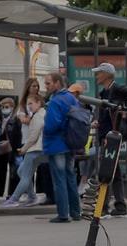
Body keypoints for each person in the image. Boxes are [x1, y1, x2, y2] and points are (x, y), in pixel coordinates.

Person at [89, 63, 127, 218]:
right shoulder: (104, 93)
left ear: (107, 75)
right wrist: (99, 123)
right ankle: (119, 207)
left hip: (113, 136)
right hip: (107, 136)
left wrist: (126, 109)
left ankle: (103, 208)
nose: (96, 76)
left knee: (106, 171)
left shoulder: (118, 89)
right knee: (113, 170)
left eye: (99, 73)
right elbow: (107, 115)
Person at [42, 70, 81, 223]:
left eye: (48, 83)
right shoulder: (71, 98)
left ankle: (63, 214)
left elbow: (52, 125)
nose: (46, 86)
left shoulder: (55, 101)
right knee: (70, 178)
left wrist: (44, 128)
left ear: (57, 83)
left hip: (56, 144)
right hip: (70, 143)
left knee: (59, 180)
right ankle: (76, 211)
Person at [1, 93, 47, 207]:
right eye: (28, 104)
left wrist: (24, 149)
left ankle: (14, 199)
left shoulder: (38, 116)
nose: (29, 106)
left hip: (34, 149)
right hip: (39, 149)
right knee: (22, 172)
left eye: (31, 103)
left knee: (24, 174)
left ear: (39, 103)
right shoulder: (41, 114)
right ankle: (31, 197)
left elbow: (33, 136)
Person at [0, 96, 22, 198]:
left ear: (12, 107)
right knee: (0, 171)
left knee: (13, 173)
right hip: (1, 149)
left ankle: (11, 193)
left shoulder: (15, 120)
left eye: (6, 107)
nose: (4, 109)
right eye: (2, 107)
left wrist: (17, 149)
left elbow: (18, 136)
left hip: (12, 149)